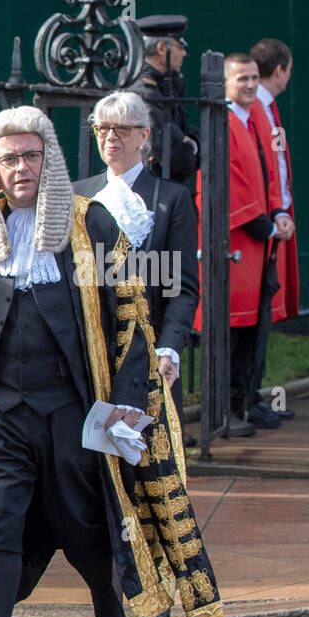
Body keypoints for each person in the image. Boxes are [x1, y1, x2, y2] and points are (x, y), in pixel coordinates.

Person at [0, 106, 224, 617]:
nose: (22, 167)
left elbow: (131, 317)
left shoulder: (91, 227)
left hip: (75, 413)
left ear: (50, 161)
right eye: (9, 158)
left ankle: (110, 614)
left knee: (87, 527)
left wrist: (123, 405)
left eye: (32, 156)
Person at [73, 91, 199, 448]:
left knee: (151, 470)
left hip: (149, 354)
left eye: (123, 129)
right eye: (103, 128)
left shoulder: (170, 198)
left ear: (145, 136)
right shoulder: (77, 195)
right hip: (90, 355)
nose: (110, 137)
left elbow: (182, 287)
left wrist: (170, 349)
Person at [213, 53, 286, 436]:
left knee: (252, 325)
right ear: (225, 82)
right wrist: (263, 223)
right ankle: (227, 408)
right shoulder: (223, 122)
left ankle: (244, 399)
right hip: (237, 240)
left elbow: (269, 171)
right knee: (231, 329)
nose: (249, 84)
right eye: (241, 78)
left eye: (254, 77)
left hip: (257, 240)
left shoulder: (251, 121)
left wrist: (277, 214)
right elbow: (229, 178)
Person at [247, 38, 298, 425]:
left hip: (268, 218)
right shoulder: (256, 111)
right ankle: (245, 400)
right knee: (252, 314)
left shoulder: (265, 110)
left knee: (261, 311)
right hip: (255, 227)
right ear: (279, 69)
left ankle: (251, 397)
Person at [130, 15, 200, 192]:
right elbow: (175, 154)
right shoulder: (144, 90)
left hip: (167, 187)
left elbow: (187, 131)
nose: (184, 53)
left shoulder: (169, 83)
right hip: (152, 189)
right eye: (180, 46)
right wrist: (191, 145)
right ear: (162, 48)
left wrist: (190, 143)